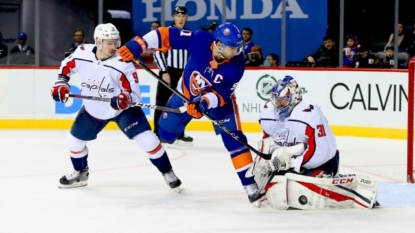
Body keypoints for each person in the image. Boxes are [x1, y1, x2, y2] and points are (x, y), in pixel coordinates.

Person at [118, 22, 263, 204]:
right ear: (218, 44)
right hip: (185, 94)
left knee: (234, 139)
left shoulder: (237, 64)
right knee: (165, 134)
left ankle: (251, 186)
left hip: (218, 103)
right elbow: (165, 34)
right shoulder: (200, 40)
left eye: (238, 47)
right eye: (232, 48)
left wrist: (204, 103)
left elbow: (222, 94)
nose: (236, 52)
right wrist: (139, 44)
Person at [50, 23, 181, 190]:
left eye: (116, 42)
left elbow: (134, 94)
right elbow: (66, 67)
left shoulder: (123, 63)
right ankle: (80, 173)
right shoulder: (82, 52)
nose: (114, 47)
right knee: (73, 143)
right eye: (109, 43)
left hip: (122, 110)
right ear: (98, 42)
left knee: (149, 141)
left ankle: (167, 172)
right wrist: (62, 82)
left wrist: (123, 98)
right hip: (94, 108)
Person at [250, 76, 378, 209]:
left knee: (298, 189)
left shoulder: (309, 114)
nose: (278, 103)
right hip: (291, 160)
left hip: (322, 162)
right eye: (276, 99)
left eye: (283, 99)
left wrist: (293, 162)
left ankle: (355, 193)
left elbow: (322, 152)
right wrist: (266, 165)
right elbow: (267, 140)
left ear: (294, 97)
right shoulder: (267, 112)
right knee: (278, 187)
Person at [152, 6, 193, 145]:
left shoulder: (190, 35)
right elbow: (157, 53)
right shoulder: (167, 33)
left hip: (183, 74)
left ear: (186, 18)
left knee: (181, 104)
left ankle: (179, 133)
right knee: (162, 103)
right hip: (169, 72)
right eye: (178, 16)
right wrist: (164, 72)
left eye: (183, 16)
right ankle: (157, 133)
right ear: (174, 17)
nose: (181, 19)